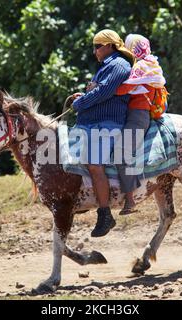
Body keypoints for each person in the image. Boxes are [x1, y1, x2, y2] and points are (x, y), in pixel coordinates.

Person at [71, 29, 134, 237]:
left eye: (97, 46)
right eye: (94, 46)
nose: (94, 51)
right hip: (94, 123)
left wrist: (79, 103)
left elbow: (103, 92)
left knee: (95, 165)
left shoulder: (118, 65)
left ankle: (105, 213)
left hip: (107, 123)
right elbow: (97, 91)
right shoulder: (107, 66)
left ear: (109, 46)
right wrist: (85, 95)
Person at [114, 34, 167, 215]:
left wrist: (103, 88)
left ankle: (130, 201)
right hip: (138, 115)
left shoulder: (141, 67)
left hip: (137, 116)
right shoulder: (151, 65)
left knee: (122, 154)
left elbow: (123, 90)